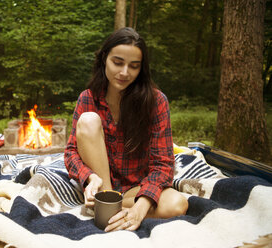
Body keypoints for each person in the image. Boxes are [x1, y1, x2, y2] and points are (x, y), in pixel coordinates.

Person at [64, 27, 188, 232]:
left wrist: (141, 207)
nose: (124, 72)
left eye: (134, 66)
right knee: (87, 120)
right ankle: (107, 199)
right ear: (104, 58)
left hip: (136, 189)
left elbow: (163, 164)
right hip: (100, 186)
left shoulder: (157, 102)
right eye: (117, 62)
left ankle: (110, 210)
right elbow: (71, 153)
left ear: (142, 69)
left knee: (177, 204)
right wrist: (90, 177)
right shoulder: (88, 97)